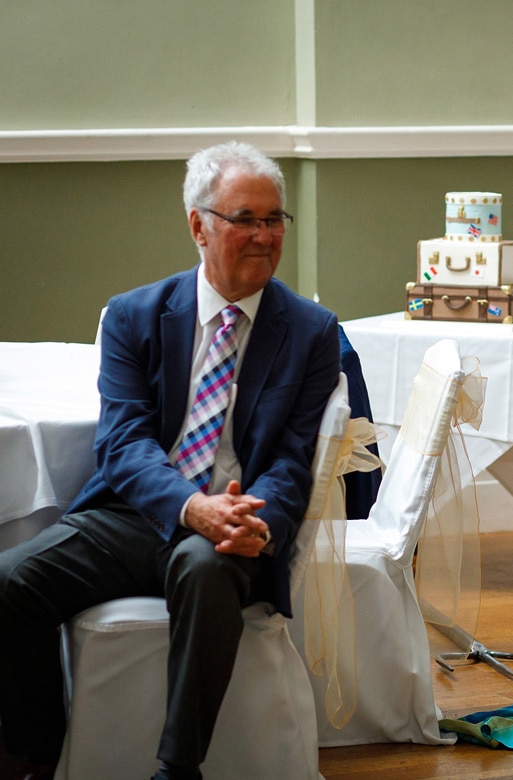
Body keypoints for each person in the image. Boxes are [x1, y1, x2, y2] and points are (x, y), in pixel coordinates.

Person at [0, 141, 340, 780]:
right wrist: (191, 506)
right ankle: (38, 753)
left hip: (241, 522)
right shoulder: (136, 316)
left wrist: (252, 522)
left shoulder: (311, 331)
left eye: (274, 220)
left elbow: (295, 458)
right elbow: (123, 444)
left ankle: (176, 769)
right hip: (140, 513)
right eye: (246, 220)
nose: (265, 236)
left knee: (205, 567)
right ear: (199, 226)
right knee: (12, 582)